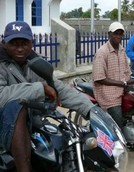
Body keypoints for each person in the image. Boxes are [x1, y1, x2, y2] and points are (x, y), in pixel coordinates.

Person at [0, 21, 95, 172]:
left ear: (32, 42)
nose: (19, 48)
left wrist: (91, 110)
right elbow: (1, 95)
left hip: (34, 123)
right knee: (16, 107)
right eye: (14, 43)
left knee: (67, 139)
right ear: (4, 44)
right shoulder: (1, 64)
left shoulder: (35, 62)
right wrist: (40, 88)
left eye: (24, 43)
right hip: (5, 127)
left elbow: (59, 88)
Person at [92, 21, 134, 154]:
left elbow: (127, 70)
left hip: (123, 87)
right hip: (107, 90)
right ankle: (119, 146)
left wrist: (133, 81)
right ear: (109, 34)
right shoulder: (102, 52)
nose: (118, 36)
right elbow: (99, 78)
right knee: (117, 116)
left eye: (120, 33)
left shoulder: (121, 50)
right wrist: (121, 83)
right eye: (116, 33)